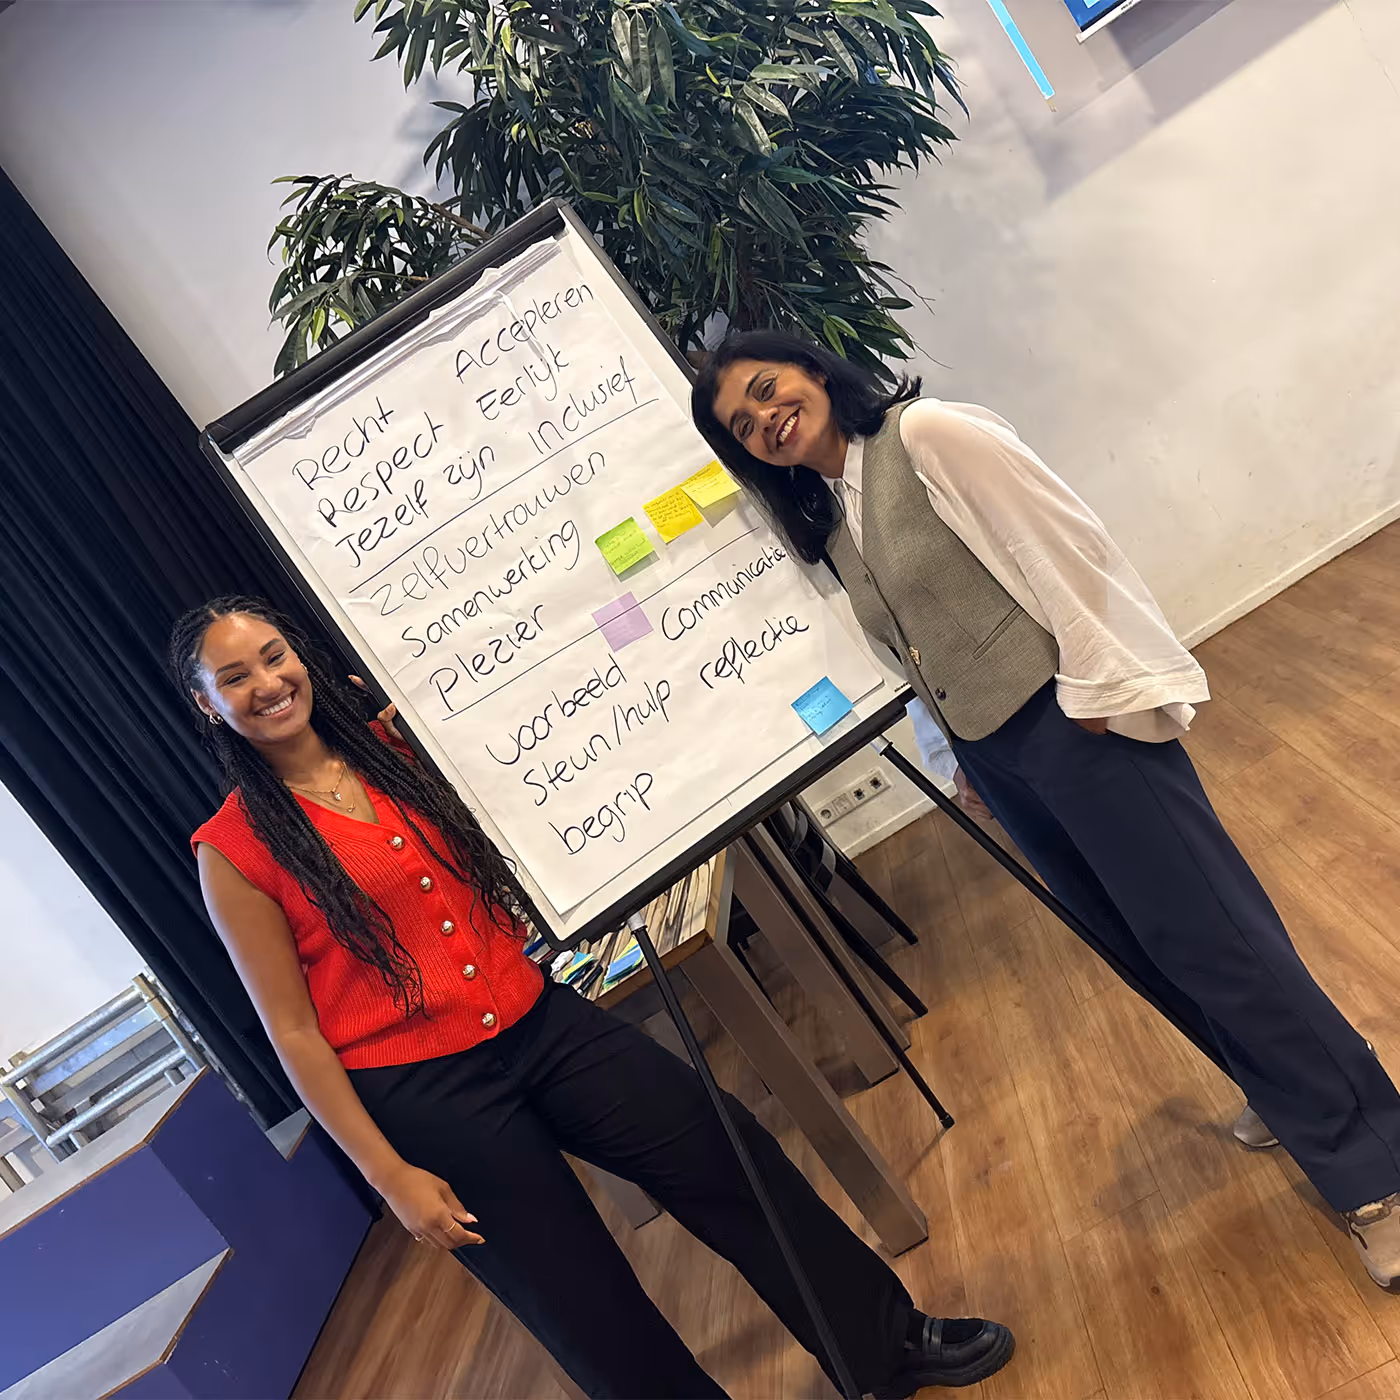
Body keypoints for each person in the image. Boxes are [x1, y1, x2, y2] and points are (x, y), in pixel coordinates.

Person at [171, 594, 1014, 1399]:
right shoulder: (233, 849)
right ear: (208, 705)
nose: (268, 683)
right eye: (235, 677)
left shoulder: (397, 752)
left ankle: (887, 1347)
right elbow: (294, 1032)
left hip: (539, 1021)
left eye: (274, 657)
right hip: (424, 1093)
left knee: (728, 1156)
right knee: (583, 1301)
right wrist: (387, 1175)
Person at [692, 331, 1400, 1288]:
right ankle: (1289, 1089)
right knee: (1142, 948)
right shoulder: (837, 521)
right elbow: (912, 650)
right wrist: (960, 760)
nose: (767, 420)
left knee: (1215, 941)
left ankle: (1375, 1168)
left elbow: (1063, 545)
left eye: (768, 389)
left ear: (814, 371)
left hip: (1073, 727)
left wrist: (1102, 690)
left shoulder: (927, 435)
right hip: (1004, 760)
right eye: (743, 426)